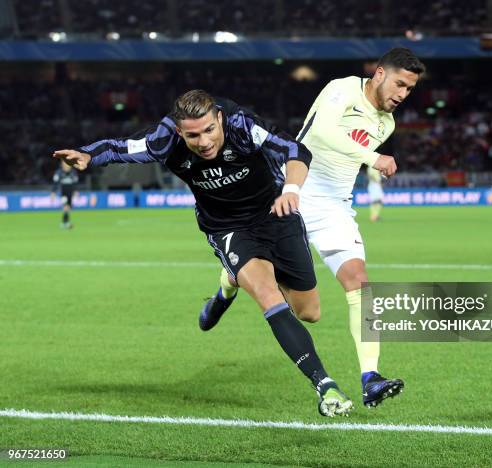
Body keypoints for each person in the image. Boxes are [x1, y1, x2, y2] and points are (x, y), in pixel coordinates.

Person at [53, 90, 353, 417]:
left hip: (276, 212)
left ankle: (228, 283)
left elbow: (296, 150)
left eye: (209, 129)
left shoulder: (241, 126)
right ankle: (325, 385)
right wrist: (87, 155)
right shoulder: (165, 140)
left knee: (309, 312)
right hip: (227, 228)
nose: (204, 141)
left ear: (220, 119)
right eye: (193, 135)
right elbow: (120, 147)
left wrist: (291, 189)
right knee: (267, 294)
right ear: (180, 132)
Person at [296, 48, 426, 407]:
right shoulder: (343, 89)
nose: (403, 94)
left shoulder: (387, 123)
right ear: (380, 74)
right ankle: (225, 289)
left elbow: (346, 156)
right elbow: (322, 133)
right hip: (293, 191)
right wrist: (374, 157)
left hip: (334, 207)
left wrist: (370, 156)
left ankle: (370, 377)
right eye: (400, 84)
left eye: (410, 89)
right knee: (255, 276)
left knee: (360, 284)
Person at [53, 160, 78, 229]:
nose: (66, 166)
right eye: (64, 164)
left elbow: (75, 183)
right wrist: (53, 193)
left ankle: (65, 223)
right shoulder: (59, 173)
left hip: (70, 194)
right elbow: (55, 184)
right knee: (66, 207)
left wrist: (75, 191)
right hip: (63, 193)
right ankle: (65, 223)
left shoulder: (73, 172)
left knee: (68, 208)